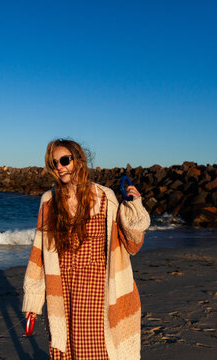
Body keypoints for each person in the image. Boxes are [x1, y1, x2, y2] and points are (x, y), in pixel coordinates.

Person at [22, 139, 151, 359]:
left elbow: (132, 245)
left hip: (98, 297)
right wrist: (33, 300)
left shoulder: (105, 197)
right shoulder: (48, 201)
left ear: (79, 161)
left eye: (64, 160)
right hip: (62, 295)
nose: (60, 167)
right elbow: (39, 256)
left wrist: (134, 207)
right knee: (64, 351)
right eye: (54, 163)